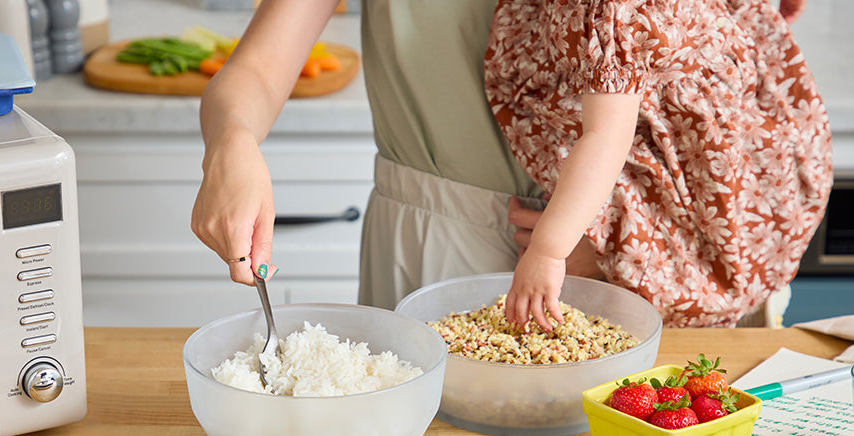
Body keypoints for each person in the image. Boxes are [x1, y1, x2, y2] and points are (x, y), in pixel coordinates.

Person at [485, 0, 832, 330]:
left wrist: (548, 250)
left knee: (699, 251)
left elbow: (606, 136)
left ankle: (710, 294)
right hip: (695, 74)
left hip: (684, 134)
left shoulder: (610, 13)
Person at [191, 1, 546, 310]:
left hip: (587, 263)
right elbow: (257, 69)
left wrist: (599, 240)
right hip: (423, 242)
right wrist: (232, 140)